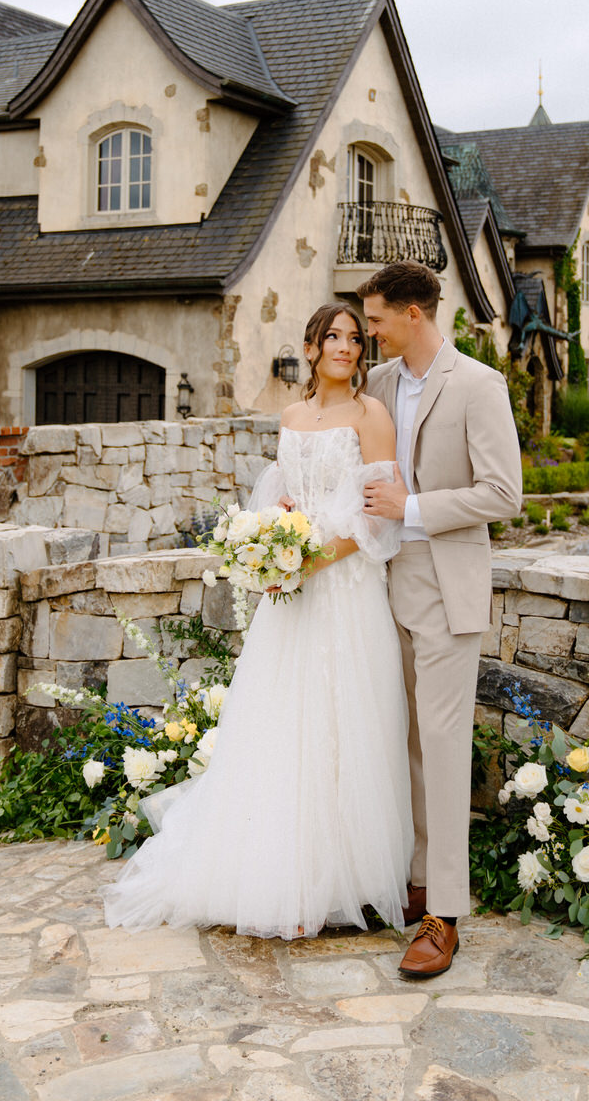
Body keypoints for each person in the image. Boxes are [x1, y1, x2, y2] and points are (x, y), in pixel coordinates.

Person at [103, 302, 413, 939]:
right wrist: (272, 540)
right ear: (311, 345)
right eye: (333, 337)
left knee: (341, 724)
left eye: (355, 339)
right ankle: (278, 876)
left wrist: (309, 560)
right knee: (283, 723)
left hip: (346, 591)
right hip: (292, 596)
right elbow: (280, 496)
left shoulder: (371, 415)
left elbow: (379, 515)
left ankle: (343, 879)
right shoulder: (292, 417)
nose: (346, 348)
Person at [359, 262, 522, 978]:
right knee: (407, 744)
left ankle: (443, 916)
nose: (369, 332)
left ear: (413, 316)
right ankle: (416, 877)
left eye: (377, 320)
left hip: (446, 584)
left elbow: (502, 493)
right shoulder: (379, 385)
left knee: (446, 747)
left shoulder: (479, 386)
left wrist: (415, 511)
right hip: (383, 583)